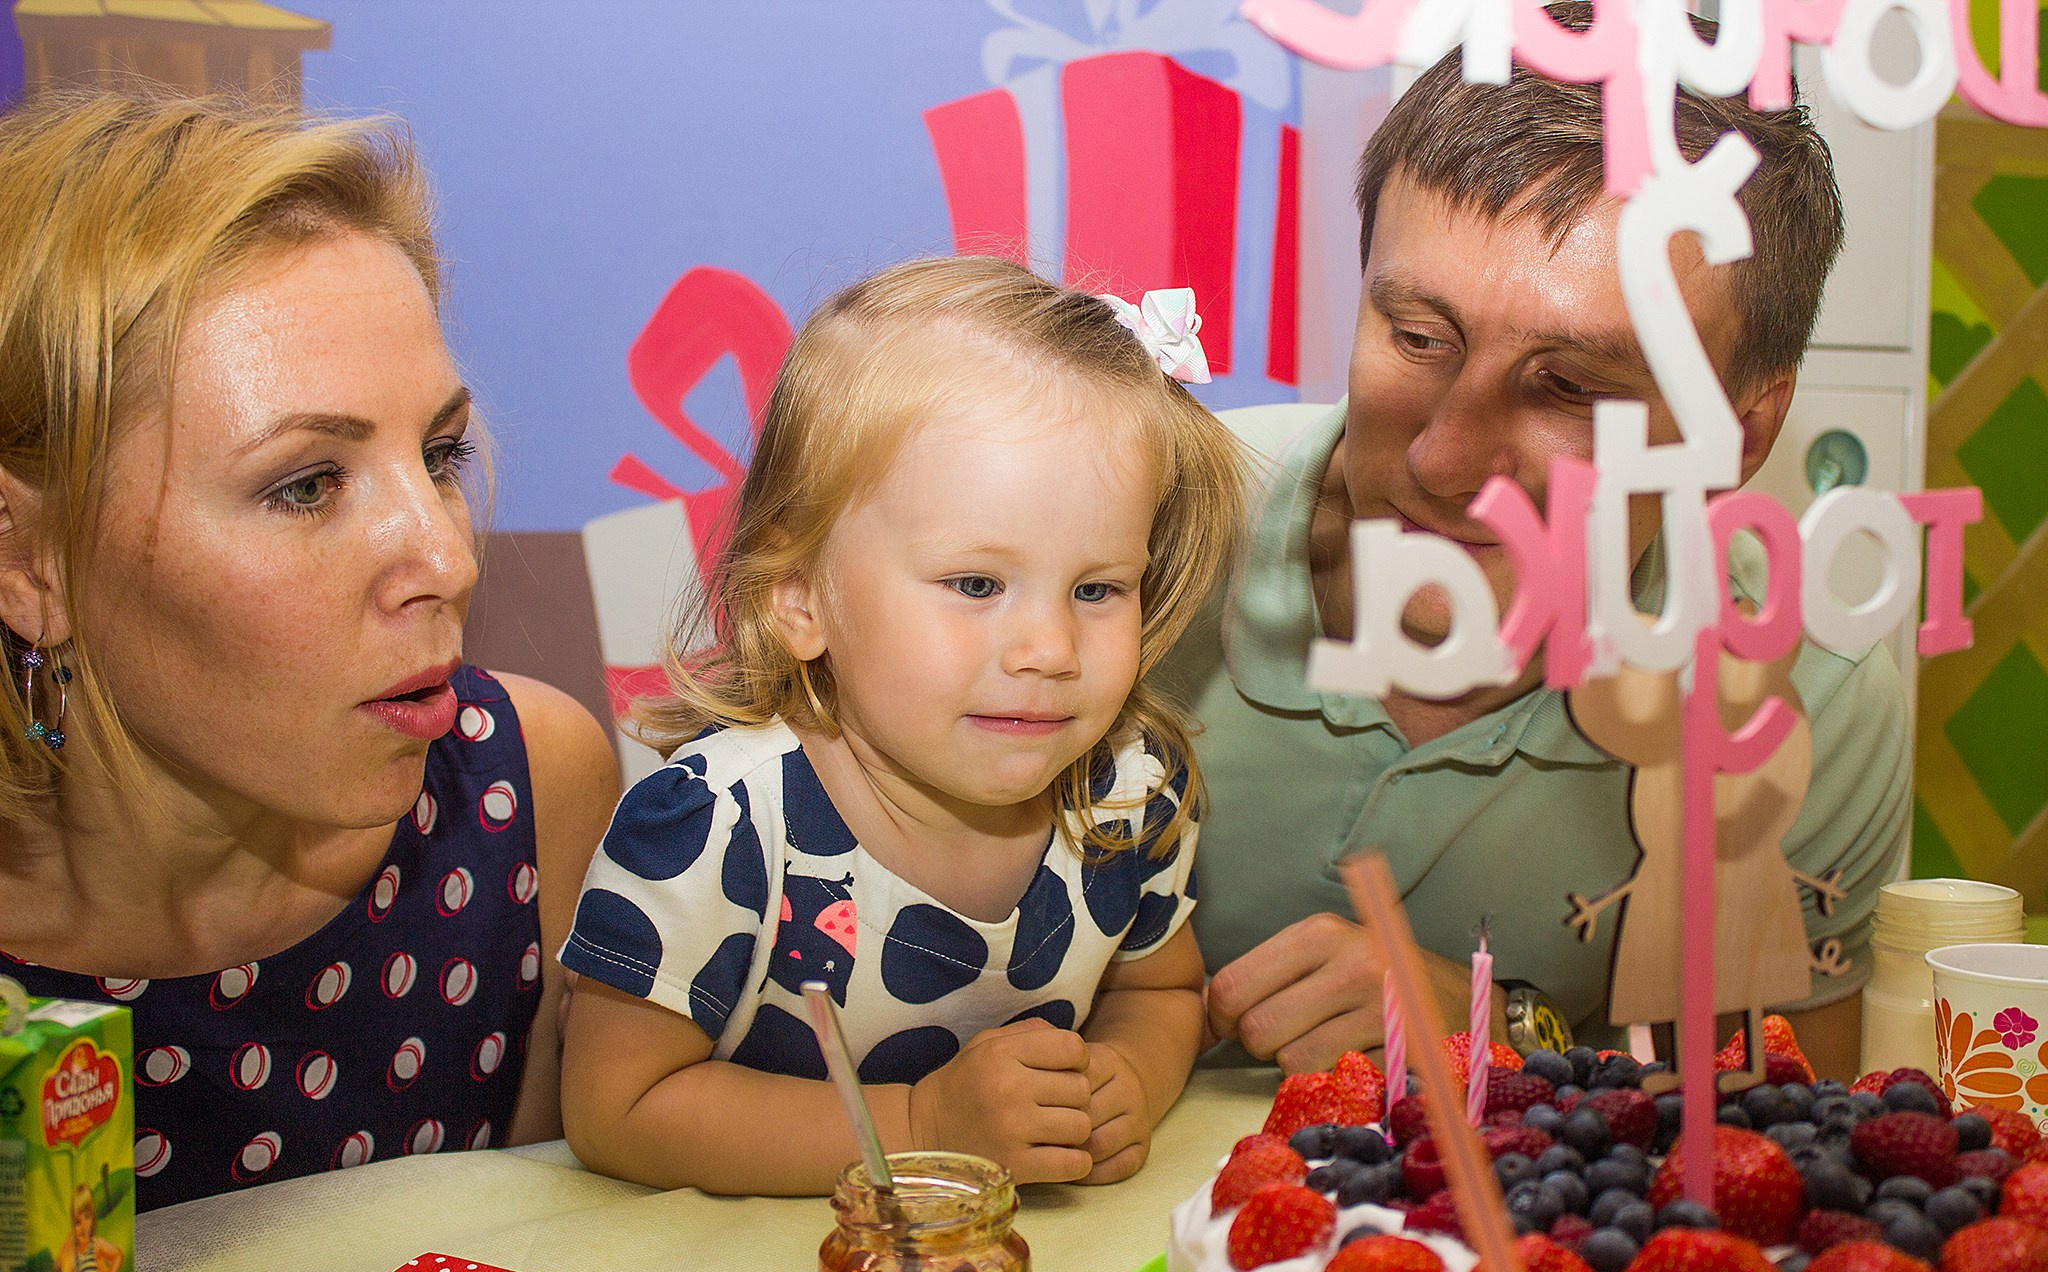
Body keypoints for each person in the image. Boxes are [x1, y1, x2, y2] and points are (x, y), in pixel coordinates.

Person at [1165, 18, 1907, 1085]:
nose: (1440, 458)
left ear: (1738, 434)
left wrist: (1502, 1030)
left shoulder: (1808, 697)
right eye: (1419, 337)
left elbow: (1781, 1124)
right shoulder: (1134, 534)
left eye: (1569, 387)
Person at [0, 93, 619, 1208]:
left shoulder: (526, 791)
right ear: (27, 561)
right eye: (305, 485)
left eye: (440, 454)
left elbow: (530, 1258)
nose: (447, 560)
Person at [558, 256, 1248, 1195]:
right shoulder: (718, 824)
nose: (1050, 648)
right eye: (976, 583)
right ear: (800, 595)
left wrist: (1129, 1073)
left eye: (1097, 589)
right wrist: (924, 1126)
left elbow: (1159, 989)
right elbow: (614, 1106)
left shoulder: (1128, 794)